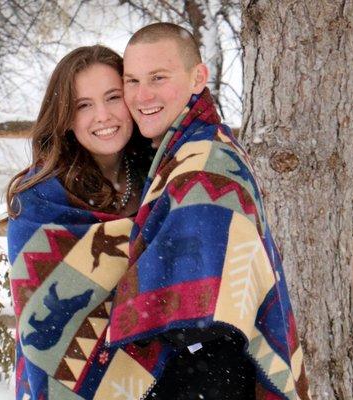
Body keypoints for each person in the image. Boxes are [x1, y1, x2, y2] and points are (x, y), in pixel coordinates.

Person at [106, 23, 311, 399]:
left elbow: (199, 316)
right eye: (131, 80)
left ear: (198, 76)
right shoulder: (187, 147)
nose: (142, 94)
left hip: (207, 373)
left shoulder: (205, 162)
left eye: (158, 77)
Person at [5, 46, 158, 400]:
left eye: (113, 97)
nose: (103, 116)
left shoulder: (159, 176)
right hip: (67, 374)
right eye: (83, 105)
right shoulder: (40, 200)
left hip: (162, 375)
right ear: (65, 118)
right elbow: (41, 319)